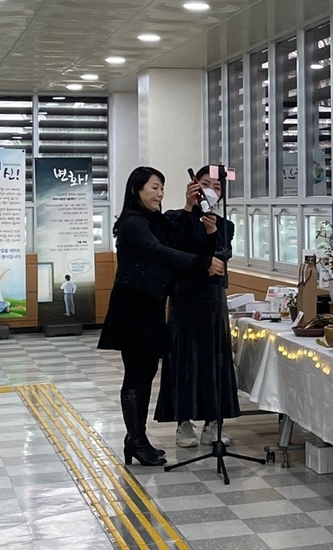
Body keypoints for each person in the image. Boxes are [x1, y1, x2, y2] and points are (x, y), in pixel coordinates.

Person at [98, 166, 224, 467]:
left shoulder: (154, 218)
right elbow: (157, 251)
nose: (159, 193)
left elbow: (176, 240)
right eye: (154, 188)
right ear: (136, 190)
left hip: (151, 303)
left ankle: (136, 439)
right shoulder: (132, 222)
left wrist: (190, 206)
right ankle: (136, 440)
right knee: (137, 374)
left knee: (146, 372)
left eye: (162, 188)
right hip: (133, 305)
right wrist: (203, 262)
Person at [156, 166, 241, 448]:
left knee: (215, 360)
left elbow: (222, 256)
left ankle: (213, 423)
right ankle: (183, 424)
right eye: (204, 184)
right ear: (193, 186)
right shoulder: (174, 219)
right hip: (183, 299)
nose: (210, 190)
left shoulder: (224, 225)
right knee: (183, 359)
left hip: (213, 301)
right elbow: (173, 251)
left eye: (216, 187)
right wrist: (187, 206)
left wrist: (213, 231)